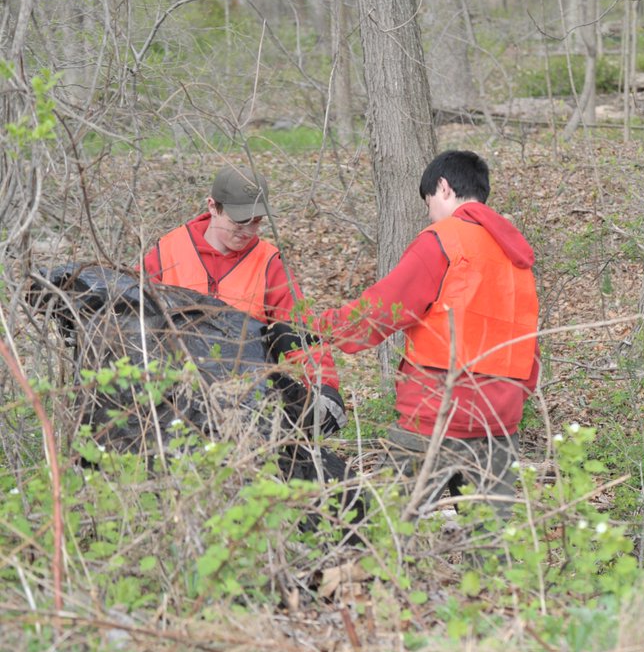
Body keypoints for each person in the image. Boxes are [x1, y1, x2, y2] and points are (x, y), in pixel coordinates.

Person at [270, 150, 540, 521]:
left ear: (443, 188)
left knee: (395, 530)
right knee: (493, 544)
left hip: (434, 414)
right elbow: (529, 349)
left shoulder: (444, 240)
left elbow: (381, 311)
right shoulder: (516, 260)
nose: (429, 213)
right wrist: (508, 400)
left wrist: (318, 327)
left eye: (429, 202)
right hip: (499, 421)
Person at [143, 164, 346, 435]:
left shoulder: (269, 263)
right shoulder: (166, 252)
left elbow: (301, 330)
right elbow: (133, 323)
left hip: (248, 404)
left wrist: (325, 388)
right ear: (213, 207)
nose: (249, 231)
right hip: (174, 398)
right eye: (239, 221)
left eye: (257, 221)